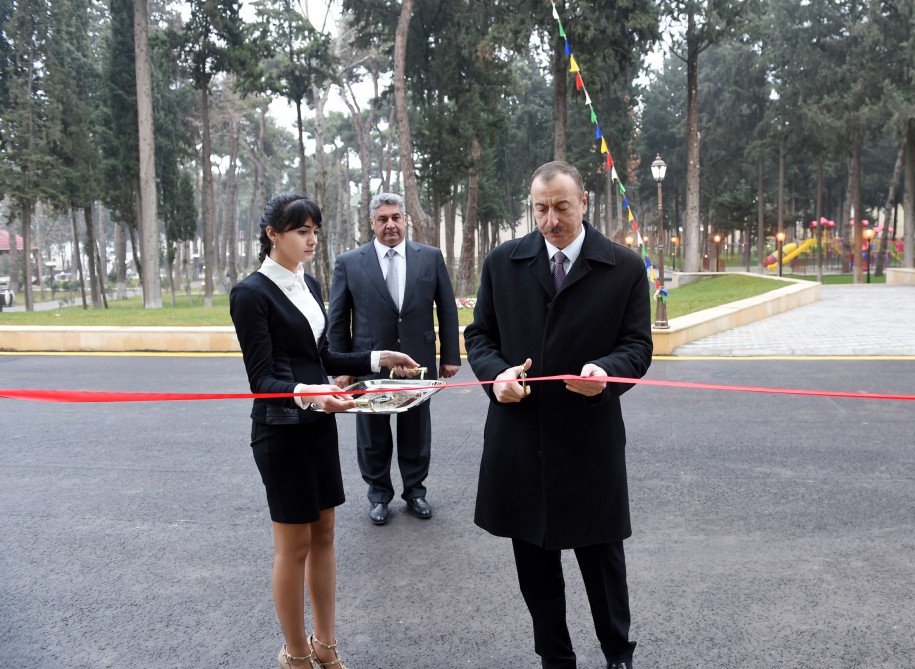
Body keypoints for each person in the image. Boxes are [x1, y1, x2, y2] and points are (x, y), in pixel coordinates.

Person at [463, 161, 653, 669]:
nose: (551, 220)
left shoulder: (625, 268)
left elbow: (637, 346)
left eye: (562, 207)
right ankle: (555, 658)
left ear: (584, 202)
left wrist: (606, 372)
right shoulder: (503, 262)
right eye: (541, 209)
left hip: (589, 439)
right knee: (535, 561)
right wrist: (497, 376)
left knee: (602, 560)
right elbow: (479, 336)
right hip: (521, 439)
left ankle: (618, 654)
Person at [230, 192, 419, 669]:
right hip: (280, 432)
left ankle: (325, 644)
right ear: (273, 235)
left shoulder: (309, 285)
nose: (312, 239)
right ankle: (294, 653)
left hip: (318, 425)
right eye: (301, 232)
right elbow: (262, 380)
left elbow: (324, 358)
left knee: (325, 535)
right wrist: (312, 393)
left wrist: (379, 358)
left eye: (315, 231)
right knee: (292, 546)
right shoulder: (250, 293)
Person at [328, 192, 461, 525]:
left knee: (416, 429)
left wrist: (450, 355)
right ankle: (378, 495)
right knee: (372, 431)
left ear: (406, 220)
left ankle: (416, 492)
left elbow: (446, 308)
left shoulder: (430, 258)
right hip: (368, 364)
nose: (391, 225)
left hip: (417, 361)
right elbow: (338, 318)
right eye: (383, 219)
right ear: (372, 223)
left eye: (396, 217)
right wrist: (341, 366)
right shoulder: (349, 262)